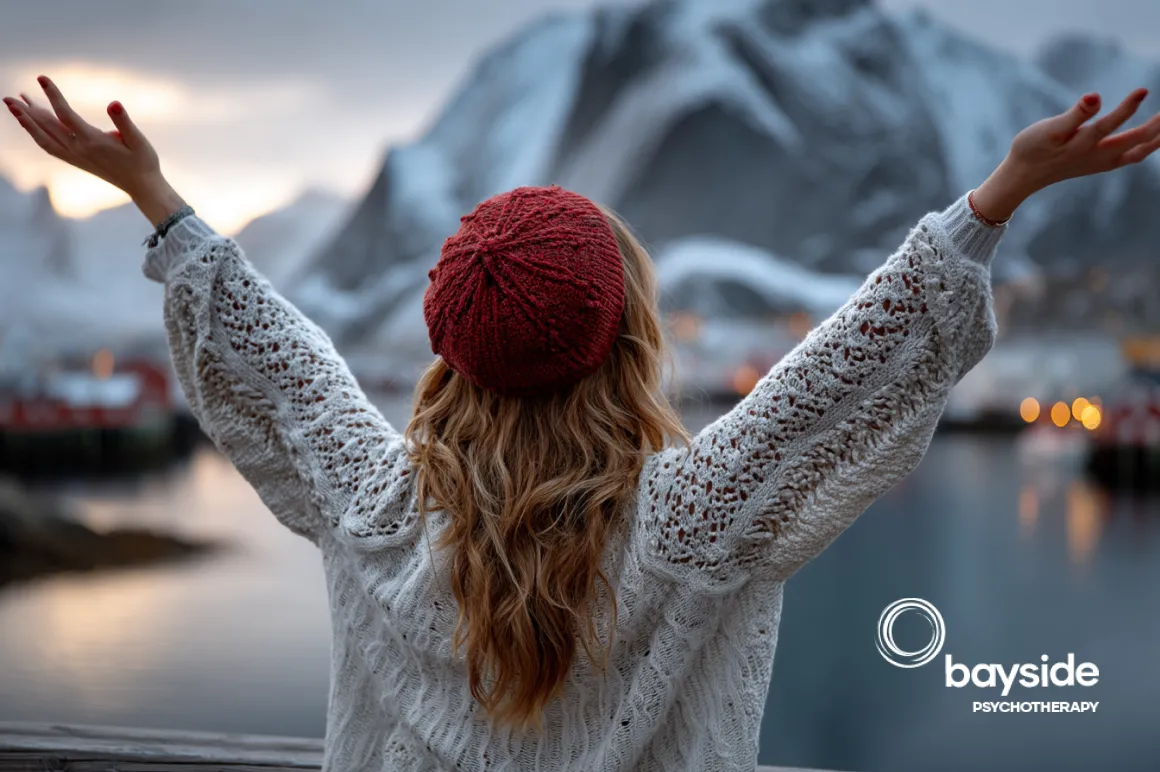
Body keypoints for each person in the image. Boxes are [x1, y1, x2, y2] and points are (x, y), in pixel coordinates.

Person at [5, 76, 1158, 772]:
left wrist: (157, 199)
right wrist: (991, 200)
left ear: (451, 345)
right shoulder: (697, 514)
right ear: (628, 331)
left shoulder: (374, 503)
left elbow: (278, 365)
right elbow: (841, 377)